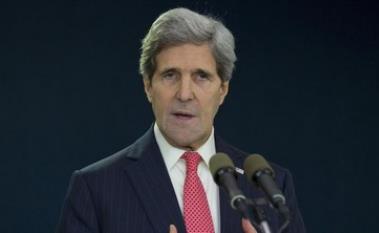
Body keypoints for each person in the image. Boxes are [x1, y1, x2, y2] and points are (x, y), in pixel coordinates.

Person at [56, 7, 306, 233]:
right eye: (170, 75)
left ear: (223, 90)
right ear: (147, 86)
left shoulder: (271, 186)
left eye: (201, 76)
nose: (184, 94)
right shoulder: (95, 188)